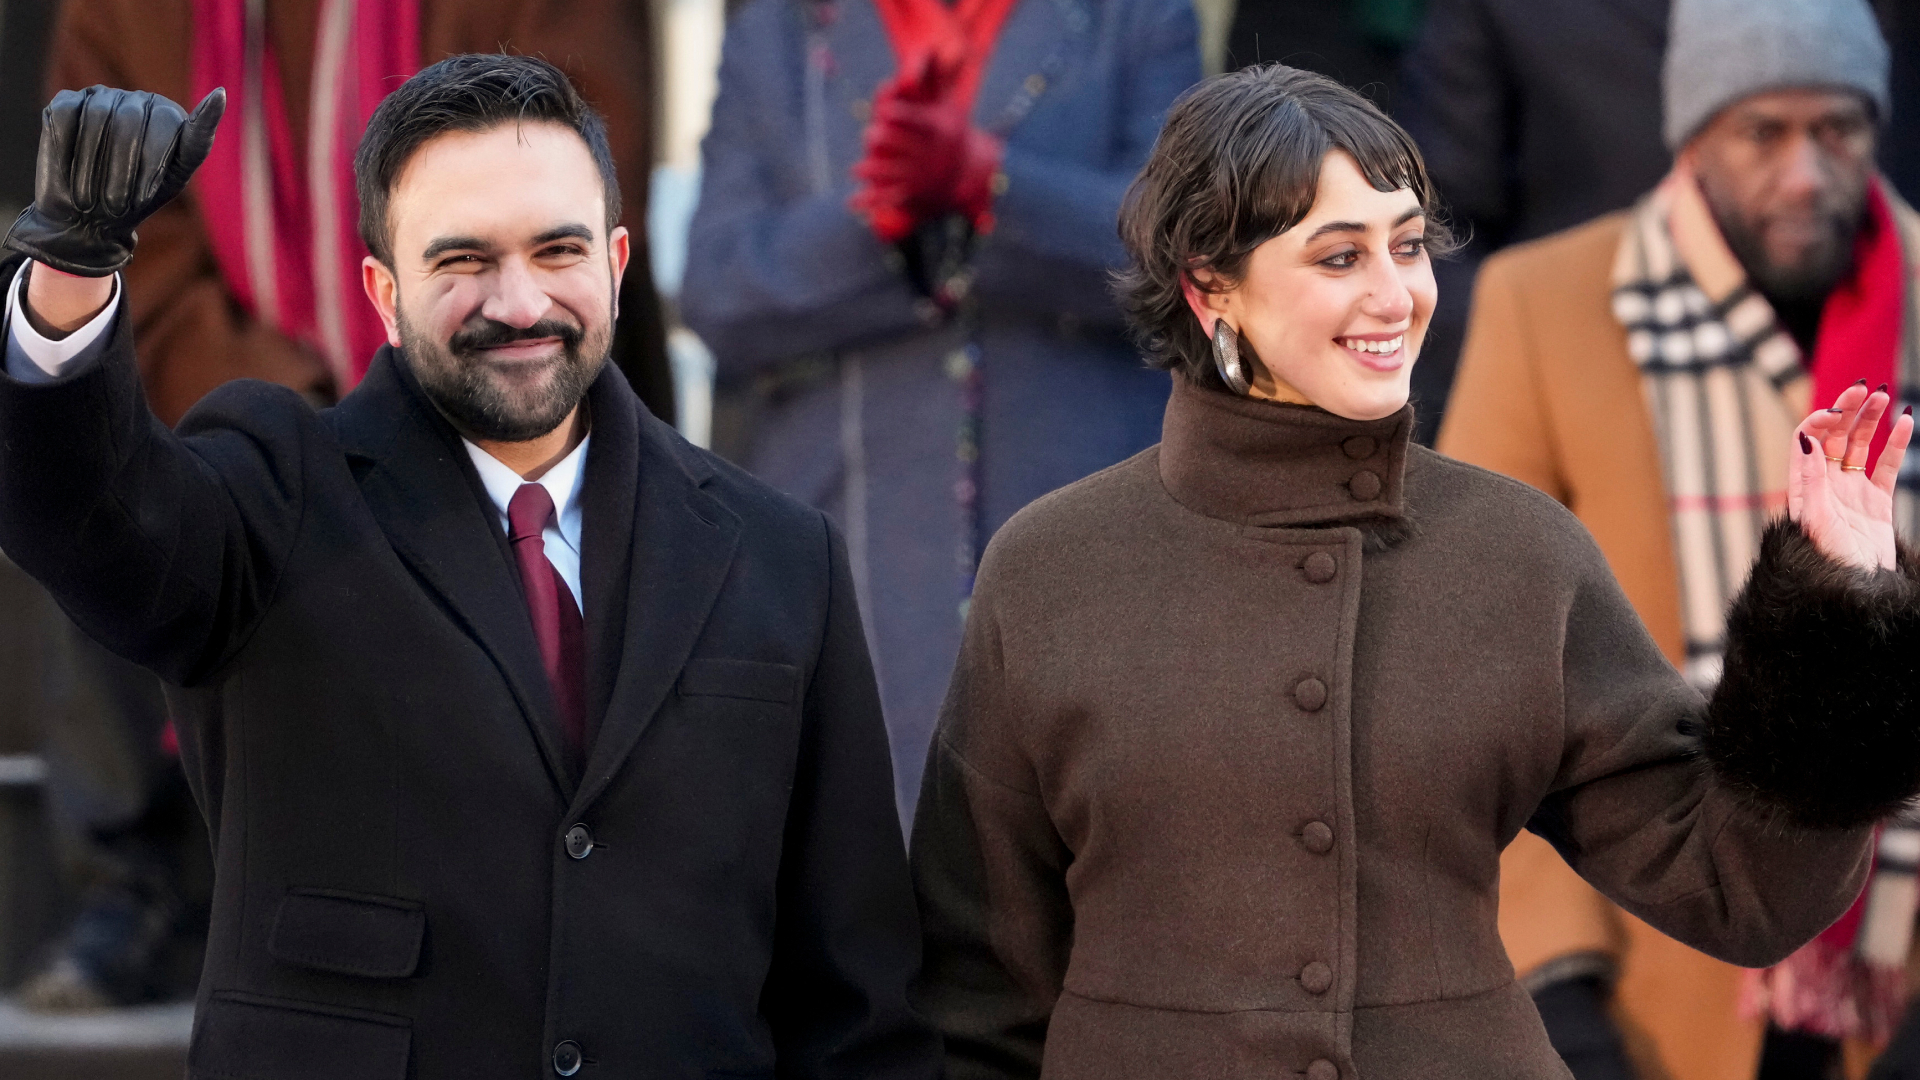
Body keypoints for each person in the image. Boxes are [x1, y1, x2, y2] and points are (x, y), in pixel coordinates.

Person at [908, 63, 1920, 1080]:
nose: (1395, 295)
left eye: (1407, 245)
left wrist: (1836, 609)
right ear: (1209, 285)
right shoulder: (1049, 571)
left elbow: (1737, 889)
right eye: (1339, 256)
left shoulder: (1522, 555)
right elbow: (977, 993)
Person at [0, 57, 936, 1078]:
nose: (520, 301)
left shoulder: (780, 554)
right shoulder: (277, 490)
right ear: (384, 293)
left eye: (558, 249)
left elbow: (856, 997)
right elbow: (89, 521)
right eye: (464, 262)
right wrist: (69, 275)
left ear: (618, 262)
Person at [1439, 2, 1920, 1077]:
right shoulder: (1547, 304)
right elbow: (1484, 665)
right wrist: (1552, 979)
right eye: (1763, 132)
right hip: (1650, 972)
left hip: (1897, 978)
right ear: (1694, 137)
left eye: (1837, 130)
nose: (1805, 173)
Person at [680, 0, 1201, 820]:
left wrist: (991, 183)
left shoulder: (1132, 16)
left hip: (1092, 550)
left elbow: (1184, 253)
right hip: (854, 555)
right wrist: (884, 219)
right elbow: (720, 289)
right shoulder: (778, 30)